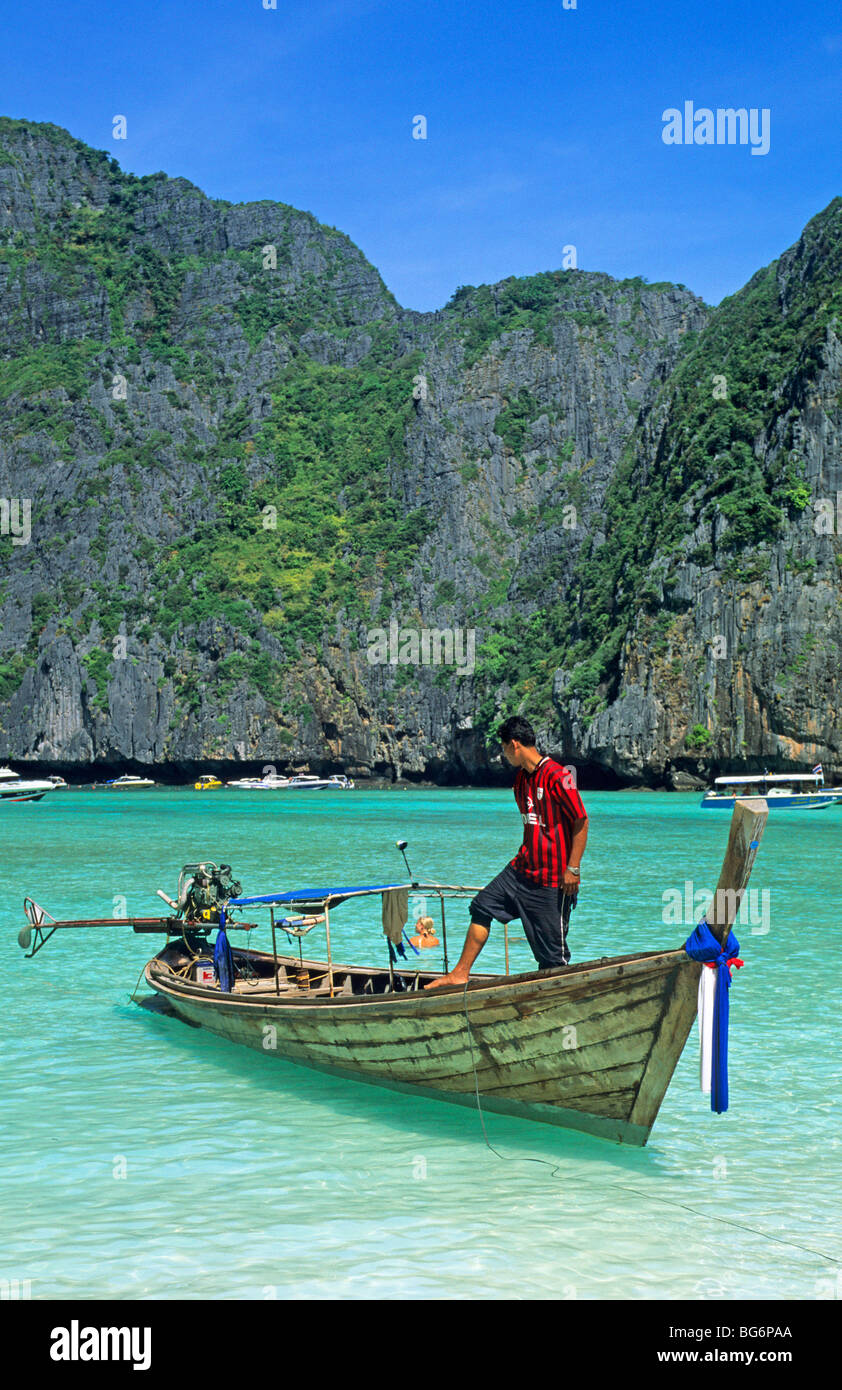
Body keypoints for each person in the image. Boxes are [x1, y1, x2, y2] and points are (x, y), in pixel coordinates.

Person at [424, 716, 588, 989]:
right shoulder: (520, 781)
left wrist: (573, 869)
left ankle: (557, 1006)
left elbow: (581, 822)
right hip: (521, 870)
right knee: (481, 906)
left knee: (552, 960)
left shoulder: (559, 776)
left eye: (503, 748)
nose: (503, 755)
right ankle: (460, 973)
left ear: (514, 745)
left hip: (551, 879)